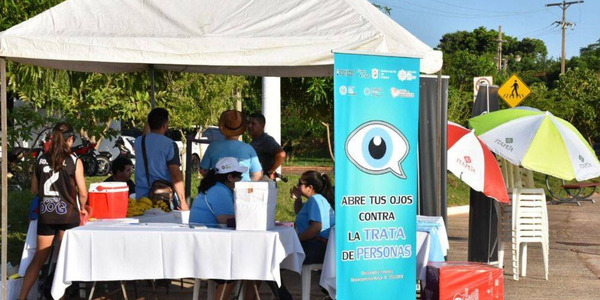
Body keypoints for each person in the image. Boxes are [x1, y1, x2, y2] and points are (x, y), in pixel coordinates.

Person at [18, 123, 89, 300]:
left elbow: (34, 189)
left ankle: (22, 296)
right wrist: (84, 208)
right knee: (65, 259)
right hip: (67, 215)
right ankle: (60, 295)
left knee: (39, 259)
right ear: (70, 139)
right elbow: (83, 192)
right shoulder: (74, 160)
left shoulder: (41, 159)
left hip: (46, 214)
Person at [134, 108, 189, 210]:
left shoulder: (138, 142)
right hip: (162, 197)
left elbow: (146, 135)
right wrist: (183, 201)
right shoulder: (170, 145)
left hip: (141, 197)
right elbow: (175, 175)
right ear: (165, 125)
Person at [200, 110, 262, 181]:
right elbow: (257, 175)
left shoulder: (213, 146)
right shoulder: (248, 149)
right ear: (242, 129)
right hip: (241, 190)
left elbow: (203, 170)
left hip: (219, 188)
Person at [291, 170, 335, 264]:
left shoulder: (315, 200)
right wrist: (298, 197)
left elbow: (316, 228)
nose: (297, 185)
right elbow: (299, 211)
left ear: (310, 187)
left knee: (277, 252)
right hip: (320, 246)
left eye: (300, 183)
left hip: (316, 247)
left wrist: (296, 240)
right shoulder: (318, 199)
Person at [190, 157, 245, 225]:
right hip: (207, 233)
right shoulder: (219, 191)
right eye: (240, 177)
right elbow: (226, 220)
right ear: (230, 177)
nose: (241, 180)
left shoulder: (216, 187)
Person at [247, 112, 286, 180]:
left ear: (262, 125)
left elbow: (281, 154)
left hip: (264, 181)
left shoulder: (267, 140)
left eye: (253, 124)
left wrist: (271, 171)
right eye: (248, 123)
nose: (249, 126)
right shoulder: (255, 140)